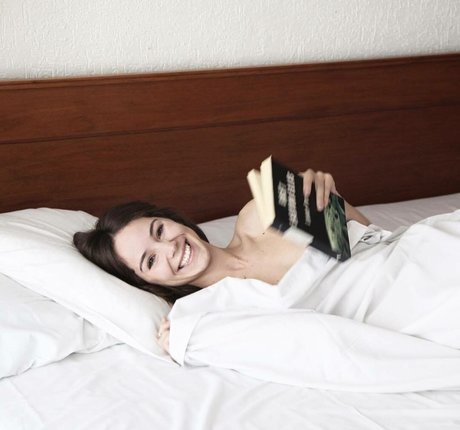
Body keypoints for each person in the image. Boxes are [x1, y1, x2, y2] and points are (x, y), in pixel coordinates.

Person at [74, 169, 370, 351]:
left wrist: (331, 200)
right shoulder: (208, 318)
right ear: (147, 283)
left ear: (170, 218)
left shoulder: (258, 214)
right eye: (150, 261)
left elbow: (369, 236)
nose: (170, 248)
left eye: (160, 230)